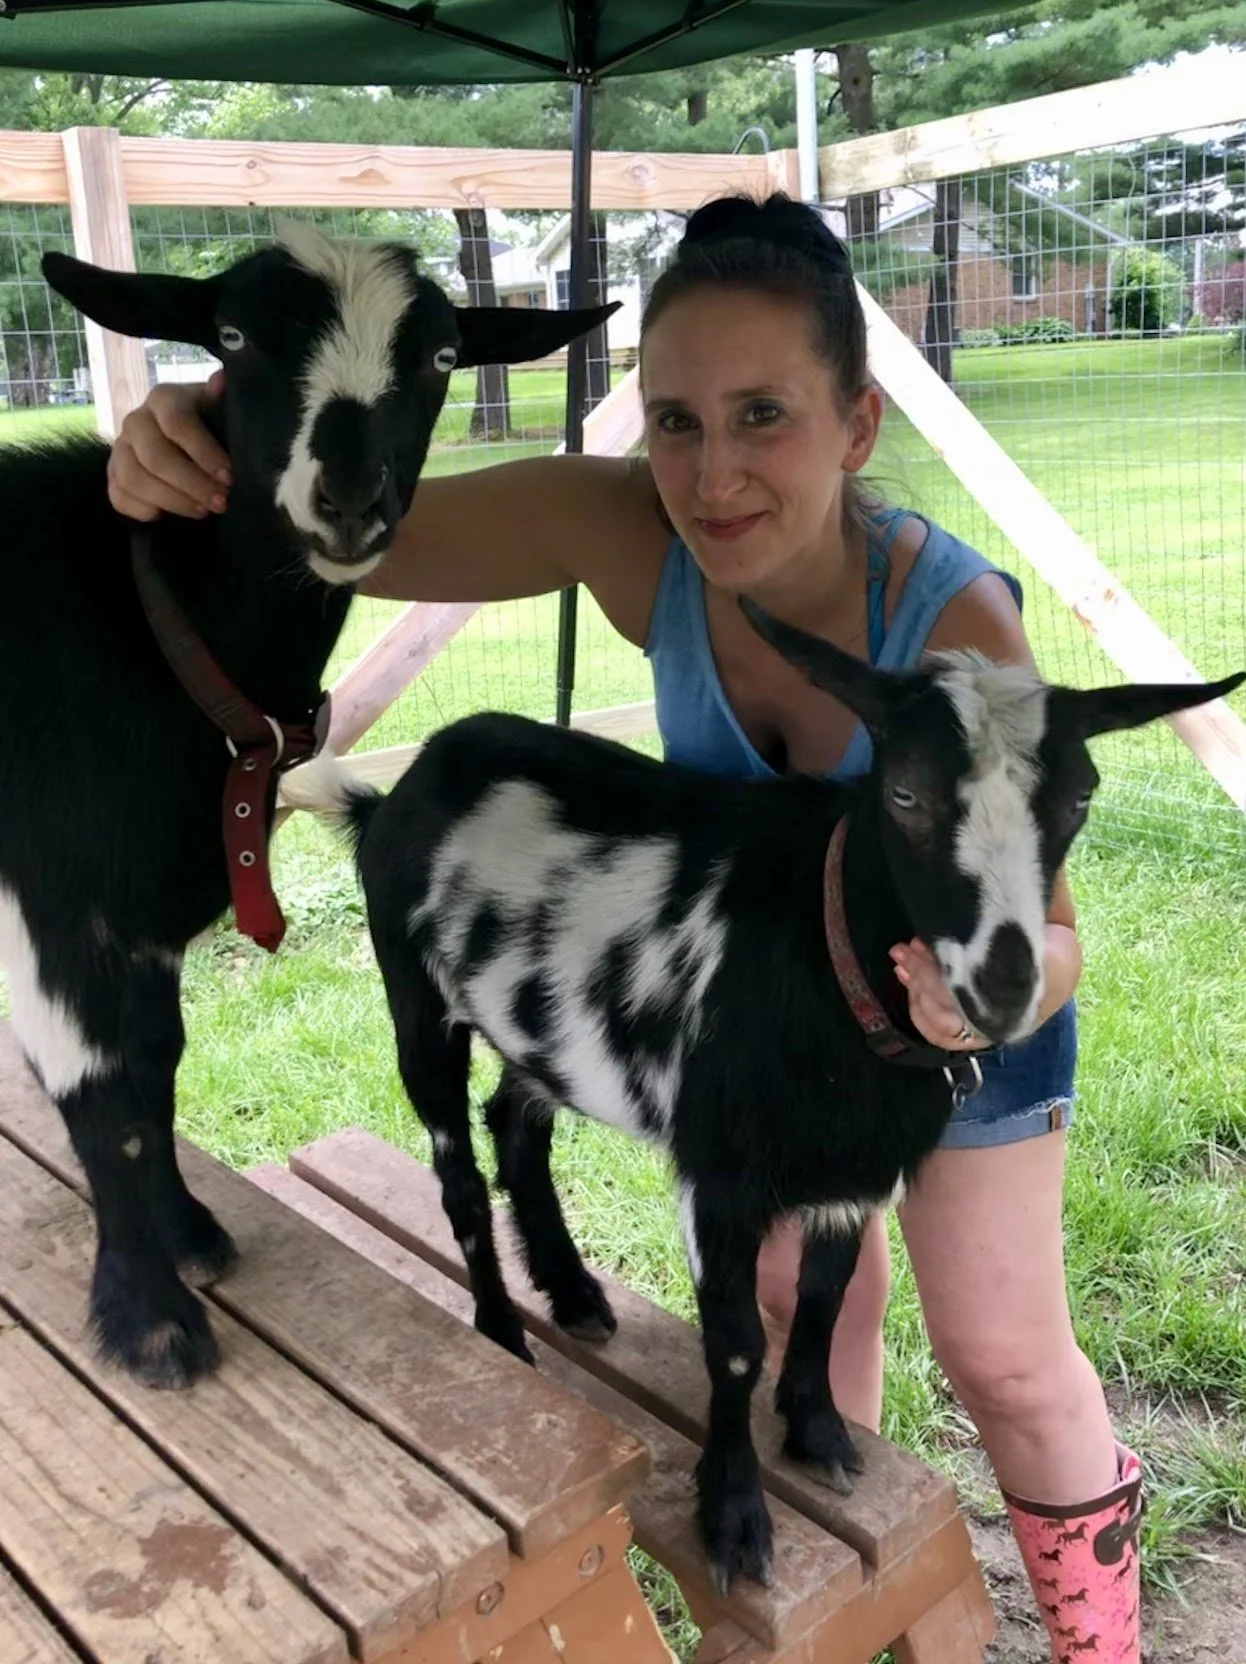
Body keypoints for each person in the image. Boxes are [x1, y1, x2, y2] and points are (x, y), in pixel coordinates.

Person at [106, 192, 1143, 1662]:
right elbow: (339, 521)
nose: (712, 475)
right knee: (793, 1298)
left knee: (1006, 1358)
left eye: (762, 415)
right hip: (775, 1013)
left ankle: (1102, 1643)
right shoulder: (629, 530)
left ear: (855, 424)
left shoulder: (952, 627)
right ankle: (837, 1591)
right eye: (673, 422)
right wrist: (203, 432)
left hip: (965, 1010)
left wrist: (982, 1002)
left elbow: (1053, 932)